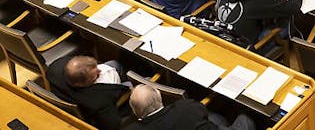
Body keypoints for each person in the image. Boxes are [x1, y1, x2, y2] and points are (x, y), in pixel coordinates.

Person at [47, 55, 129, 130]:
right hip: (90, 115)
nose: (100, 71)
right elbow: (112, 125)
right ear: (81, 84)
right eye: (96, 76)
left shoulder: (54, 68)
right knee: (116, 66)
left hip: (68, 98)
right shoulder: (100, 101)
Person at [128, 84, 256, 130]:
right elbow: (202, 111)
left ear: (135, 111)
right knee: (247, 117)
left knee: (216, 118)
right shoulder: (186, 108)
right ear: (160, 98)